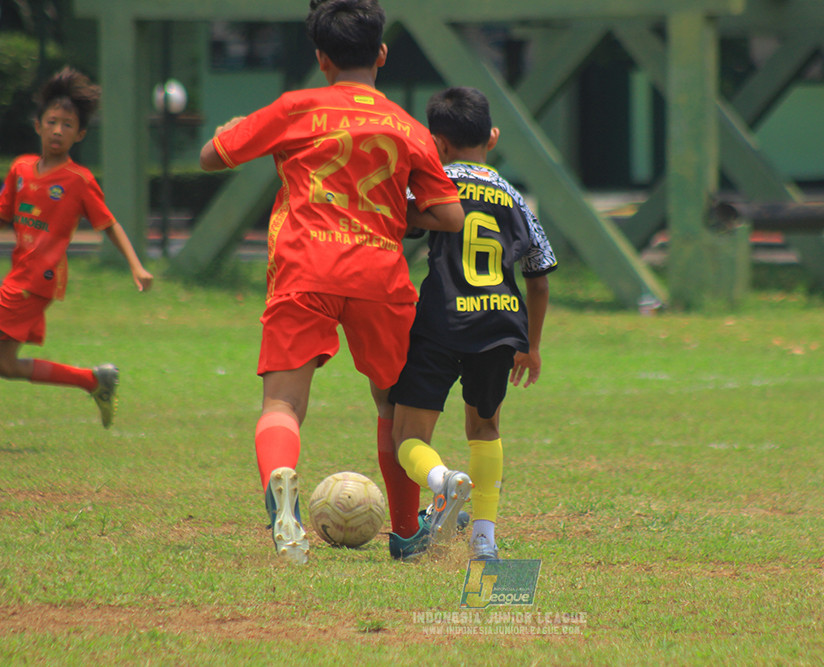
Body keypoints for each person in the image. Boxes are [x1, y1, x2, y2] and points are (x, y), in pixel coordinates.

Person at [199, 0, 464, 565]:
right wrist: (395, 215)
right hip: (379, 275)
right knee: (392, 405)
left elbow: (211, 158)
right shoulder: (408, 127)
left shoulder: (295, 107)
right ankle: (404, 532)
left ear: (321, 58)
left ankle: (282, 484)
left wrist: (225, 133)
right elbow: (449, 217)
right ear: (382, 55)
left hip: (304, 268)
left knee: (282, 405)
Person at [388, 86, 557, 561]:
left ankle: (443, 482)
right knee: (485, 429)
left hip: (441, 321)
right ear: (493, 137)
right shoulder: (513, 197)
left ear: (436, 143)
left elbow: (399, 221)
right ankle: (484, 539)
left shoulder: (434, 181)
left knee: (409, 438)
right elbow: (540, 276)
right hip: (499, 325)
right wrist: (532, 345)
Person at [0, 67, 154, 429]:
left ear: (80, 134)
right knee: (6, 365)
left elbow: (110, 224)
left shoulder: (78, 181)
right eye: (52, 121)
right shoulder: (20, 169)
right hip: (19, 274)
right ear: (37, 125)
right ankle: (93, 379)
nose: (58, 130)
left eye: (67, 125)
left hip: (37, 281)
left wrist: (136, 266)